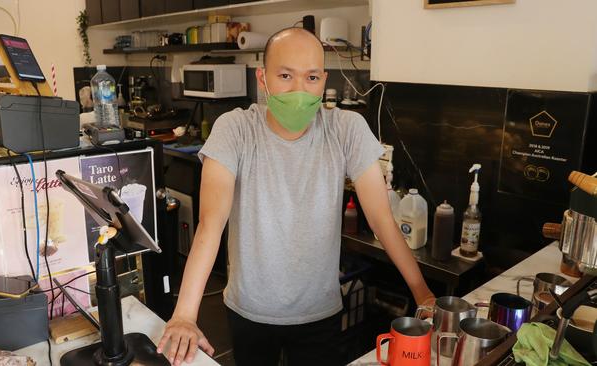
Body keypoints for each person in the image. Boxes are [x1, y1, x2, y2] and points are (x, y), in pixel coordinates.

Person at [157, 27, 435, 366]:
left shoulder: (346, 129)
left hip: (320, 312)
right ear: (263, 78)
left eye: (312, 77)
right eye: (285, 75)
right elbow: (211, 224)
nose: (300, 90)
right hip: (250, 311)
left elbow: (381, 220)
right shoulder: (236, 129)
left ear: (323, 79)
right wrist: (185, 314)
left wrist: (423, 293)